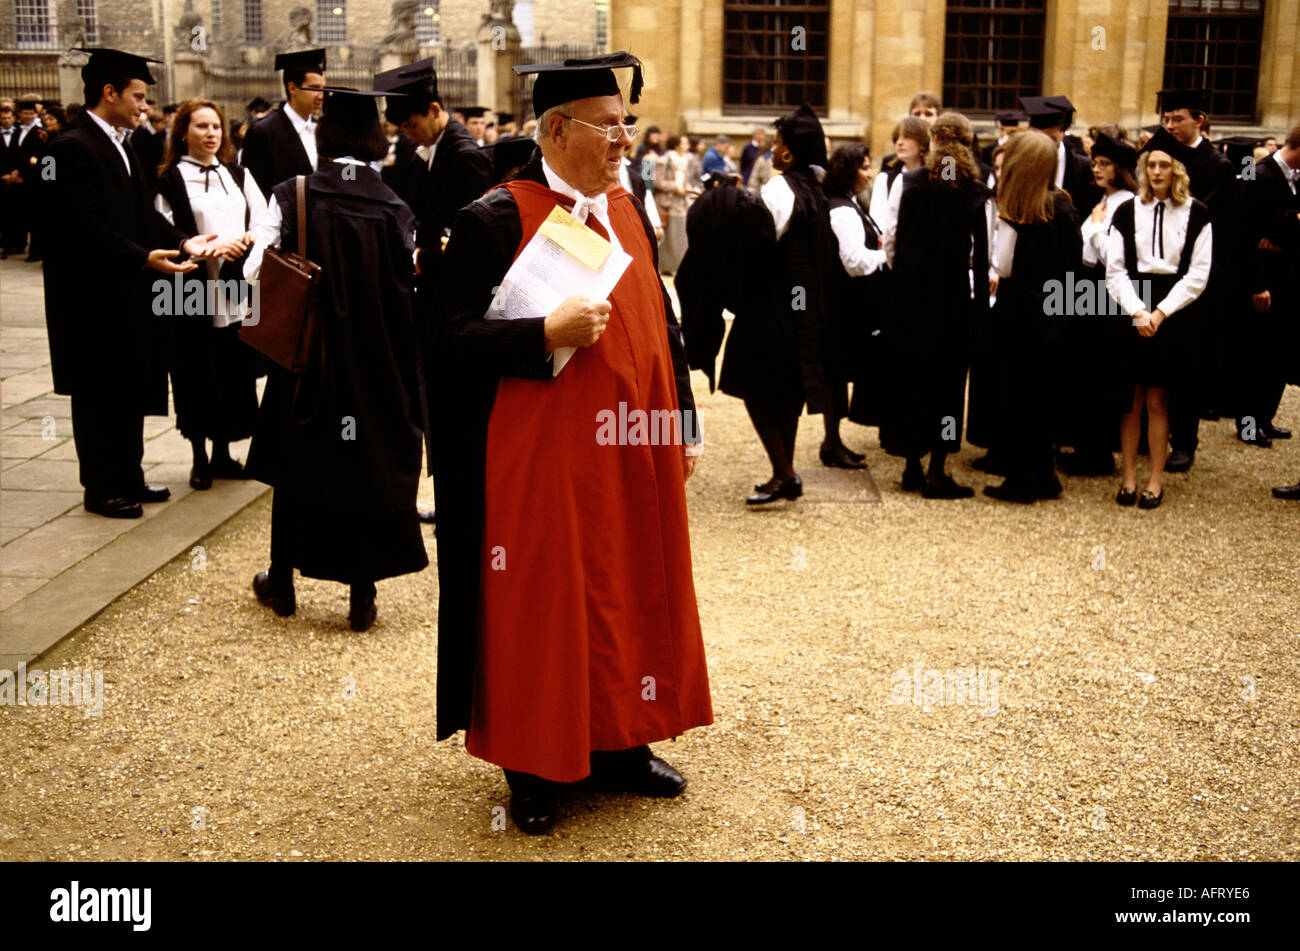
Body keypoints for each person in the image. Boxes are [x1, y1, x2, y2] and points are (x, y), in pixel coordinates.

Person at [431, 52, 711, 835]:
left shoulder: (626, 208)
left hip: (630, 452)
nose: (626, 138)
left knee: (627, 586)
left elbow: (665, 323)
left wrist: (682, 414)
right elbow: (444, 338)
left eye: (628, 123)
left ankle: (622, 740)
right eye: (610, 124)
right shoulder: (494, 217)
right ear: (557, 130)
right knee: (542, 603)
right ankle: (534, 765)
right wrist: (540, 332)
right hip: (540, 461)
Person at [243, 87, 429, 631]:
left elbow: (257, 271)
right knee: (364, 467)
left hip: (306, 360)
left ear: (324, 135)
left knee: (295, 466)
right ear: (375, 138)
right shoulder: (396, 207)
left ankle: (281, 583)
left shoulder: (294, 193)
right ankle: (360, 596)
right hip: (374, 366)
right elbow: (409, 290)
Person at [43, 48, 223, 519]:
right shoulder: (71, 147)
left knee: (130, 385)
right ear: (110, 92)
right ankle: (101, 487)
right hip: (90, 298)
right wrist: (143, 257)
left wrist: (186, 243)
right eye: (138, 97)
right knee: (99, 391)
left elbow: (142, 215)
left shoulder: (123, 144)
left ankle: (129, 475)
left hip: (128, 292)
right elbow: (79, 225)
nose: (145, 107)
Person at [374, 57, 494, 526]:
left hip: (453, 305)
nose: (407, 134)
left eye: (411, 124)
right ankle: (450, 499)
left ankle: (459, 504)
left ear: (435, 109)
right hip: (434, 296)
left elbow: (470, 245)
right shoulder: (428, 150)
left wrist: (425, 257)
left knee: (449, 411)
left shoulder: (463, 157)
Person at [721, 103, 839, 502]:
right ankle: (782, 470)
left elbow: (752, 249)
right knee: (787, 394)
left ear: (789, 152)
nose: (772, 151)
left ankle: (785, 473)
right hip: (804, 311)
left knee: (756, 391)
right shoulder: (816, 189)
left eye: (777, 144)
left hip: (769, 309)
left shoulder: (777, 189)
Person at [154, 99, 268, 491]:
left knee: (233, 370)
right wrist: (195, 246)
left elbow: (263, 220)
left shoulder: (237, 174)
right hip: (191, 289)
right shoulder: (170, 178)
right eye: (201, 126)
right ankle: (199, 457)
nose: (211, 134)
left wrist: (248, 240)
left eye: (216, 126)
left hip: (234, 285)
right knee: (196, 370)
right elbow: (164, 228)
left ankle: (223, 452)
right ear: (182, 132)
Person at [884, 112, 993, 498]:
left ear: (931, 141)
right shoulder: (971, 189)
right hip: (951, 301)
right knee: (947, 388)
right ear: (966, 143)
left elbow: (890, 239)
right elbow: (982, 255)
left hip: (910, 299)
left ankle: (912, 464)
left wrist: (903, 279)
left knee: (913, 380)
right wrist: (981, 307)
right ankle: (937, 469)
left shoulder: (908, 182)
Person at [1105, 129, 1213, 509]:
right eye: (1150, 164)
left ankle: (1155, 479)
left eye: (1164, 164)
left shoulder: (1197, 213)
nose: (1156, 171)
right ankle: (1129, 477)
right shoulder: (1127, 210)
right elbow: (1115, 270)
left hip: (1173, 311)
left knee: (1157, 400)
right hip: (1134, 307)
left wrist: (1160, 313)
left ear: (1177, 170)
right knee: (1130, 399)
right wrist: (1137, 310)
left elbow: (1198, 276)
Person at [982, 130, 1082, 503]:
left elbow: (1003, 266)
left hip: (1019, 317)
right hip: (1055, 316)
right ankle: (1043, 475)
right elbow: (1076, 266)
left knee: (1018, 400)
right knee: (1042, 399)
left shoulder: (1018, 209)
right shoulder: (1063, 205)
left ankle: (1022, 480)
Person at [1155, 89, 1235, 469]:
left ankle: (1184, 440)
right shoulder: (1158, 152)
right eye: (1166, 119)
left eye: (1177, 119)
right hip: (1152, 268)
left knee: (1187, 362)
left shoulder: (1217, 164)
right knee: (1152, 359)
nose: (1169, 126)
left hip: (1192, 273)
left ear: (1198, 120)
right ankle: (1149, 434)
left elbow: (1208, 218)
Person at [1054, 131, 1139, 477]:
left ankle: (1098, 452)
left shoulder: (1125, 204)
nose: (1097, 169)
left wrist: (1095, 231)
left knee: (1101, 372)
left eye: (1105, 164)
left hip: (1107, 294)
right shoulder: (1104, 200)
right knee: (1085, 372)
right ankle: (1086, 446)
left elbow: (1111, 254)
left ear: (1120, 169)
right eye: (1096, 162)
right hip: (1088, 286)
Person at [1239, 122, 1300, 499]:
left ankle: (1265, 417)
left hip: (1289, 275)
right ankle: (1247, 423)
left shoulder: (1296, 178)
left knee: (1277, 352)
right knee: (1254, 354)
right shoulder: (1258, 175)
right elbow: (1245, 234)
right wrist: (1256, 282)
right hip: (1264, 280)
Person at [824, 143, 891, 439]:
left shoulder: (849, 203)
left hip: (852, 304)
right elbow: (854, 262)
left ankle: (835, 440)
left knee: (839, 374)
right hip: (847, 306)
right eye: (864, 168)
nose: (870, 174)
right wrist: (887, 256)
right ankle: (832, 441)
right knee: (836, 374)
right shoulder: (842, 210)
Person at [240, 49, 326, 196]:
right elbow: (252, 191)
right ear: (292, 88)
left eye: (323, 89)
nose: (321, 96)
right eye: (314, 88)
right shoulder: (263, 132)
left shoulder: (323, 130)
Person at [1019, 95, 1101, 216]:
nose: (1045, 143)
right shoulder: (1020, 165)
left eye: (1051, 138)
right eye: (1040, 137)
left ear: (1063, 132)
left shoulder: (1085, 168)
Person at [870, 116, 929, 241]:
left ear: (923, 143)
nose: (899, 143)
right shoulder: (885, 179)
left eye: (906, 137)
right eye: (897, 138)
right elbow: (878, 218)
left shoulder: (934, 177)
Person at [654, 133, 692, 274]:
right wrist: (675, 187)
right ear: (677, 145)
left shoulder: (685, 161)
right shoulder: (663, 160)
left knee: (680, 235)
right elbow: (657, 181)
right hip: (667, 203)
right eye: (684, 143)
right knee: (668, 237)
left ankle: (677, 265)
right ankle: (666, 266)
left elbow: (685, 179)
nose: (687, 146)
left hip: (680, 203)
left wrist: (688, 187)